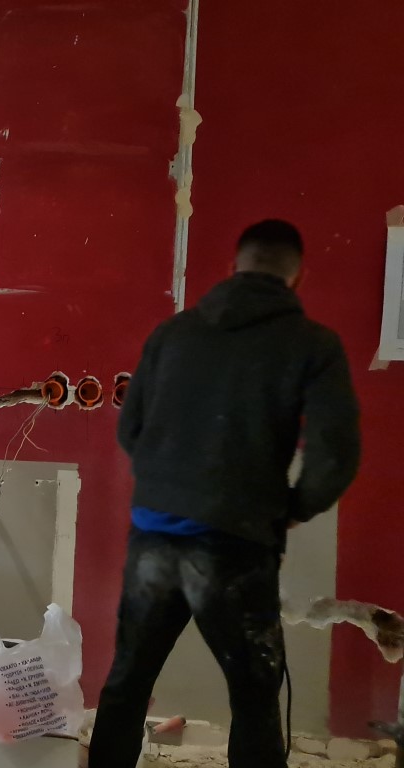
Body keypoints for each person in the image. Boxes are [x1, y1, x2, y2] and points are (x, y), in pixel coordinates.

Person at [88, 220, 361, 768]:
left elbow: (130, 430)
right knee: (254, 698)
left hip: (154, 539)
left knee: (127, 682)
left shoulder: (173, 333)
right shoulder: (312, 345)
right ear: (297, 277)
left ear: (232, 268)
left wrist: (168, 488)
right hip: (236, 547)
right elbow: (335, 455)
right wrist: (291, 509)